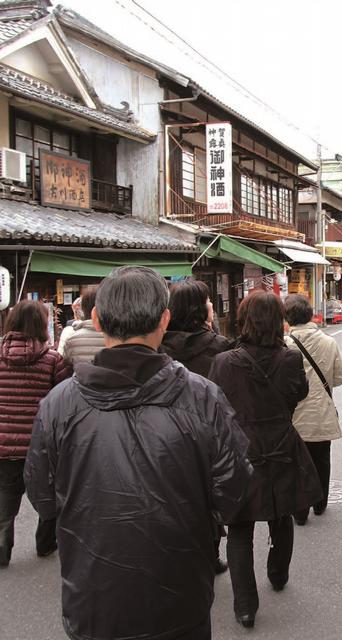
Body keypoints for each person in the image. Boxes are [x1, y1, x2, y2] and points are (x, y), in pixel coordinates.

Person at [24, 266, 252, 640]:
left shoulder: (59, 404)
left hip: (92, 592)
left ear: (96, 319)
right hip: (180, 588)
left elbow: (43, 497)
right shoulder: (200, 396)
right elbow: (234, 486)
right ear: (164, 320)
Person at [208, 291, 322, 630]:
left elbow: (214, 402)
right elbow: (299, 393)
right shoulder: (288, 359)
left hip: (240, 448)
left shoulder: (224, 361)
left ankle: (245, 606)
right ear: (278, 321)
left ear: (243, 320)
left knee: (240, 527)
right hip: (281, 444)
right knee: (281, 511)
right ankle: (278, 573)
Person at [160, 278, 231, 574]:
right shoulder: (219, 346)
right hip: (208, 435)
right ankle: (210, 555)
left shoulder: (159, 346)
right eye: (207, 301)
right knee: (207, 496)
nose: (211, 305)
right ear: (199, 310)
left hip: (165, 434)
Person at [0, 300, 72, 567]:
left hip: (4, 442)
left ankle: (1, 549)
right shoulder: (53, 359)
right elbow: (65, 397)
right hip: (40, 443)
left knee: (6, 497)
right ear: (41, 324)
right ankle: (45, 543)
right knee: (47, 494)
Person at [284, 293, 342, 525]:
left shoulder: (284, 344)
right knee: (321, 458)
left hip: (293, 415)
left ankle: (300, 511)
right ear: (310, 315)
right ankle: (320, 503)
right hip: (321, 412)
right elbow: (339, 377)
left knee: (296, 461)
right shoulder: (329, 342)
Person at [59, 287, 105, 366]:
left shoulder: (71, 339)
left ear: (83, 309)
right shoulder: (115, 337)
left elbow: (64, 365)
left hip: (79, 377)